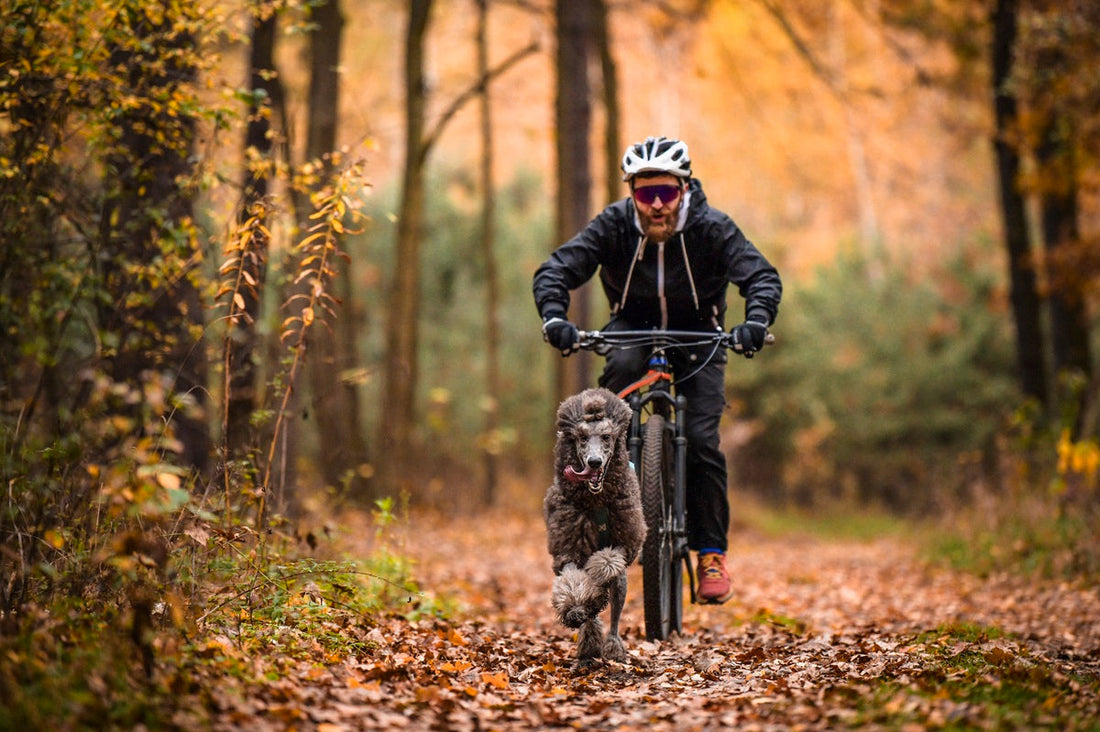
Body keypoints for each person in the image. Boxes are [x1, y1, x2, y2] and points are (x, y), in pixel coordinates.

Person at [532, 135, 782, 604]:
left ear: (684, 189)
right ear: (632, 194)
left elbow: (760, 276)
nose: (657, 205)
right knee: (605, 434)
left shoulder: (712, 228)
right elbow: (556, 270)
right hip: (631, 332)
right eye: (645, 194)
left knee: (704, 441)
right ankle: (610, 526)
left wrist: (755, 321)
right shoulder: (612, 226)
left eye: (666, 192)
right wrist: (555, 317)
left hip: (701, 336)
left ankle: (711, 552)